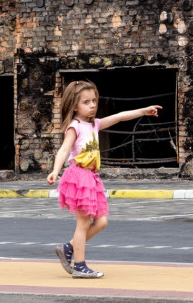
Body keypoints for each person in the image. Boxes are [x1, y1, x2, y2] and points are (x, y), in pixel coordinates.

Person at [47, 80, 162, 278]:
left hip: (91, 178)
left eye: (94, 100)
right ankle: (79, 266)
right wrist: (55, 171)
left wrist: (143, 111)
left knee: (101, 222)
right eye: (86, 102)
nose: (92, 105)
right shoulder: (75, 126)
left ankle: (68, 248)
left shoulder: (94, 124)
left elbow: (118, 117)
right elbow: (64, 149)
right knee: (82, 224)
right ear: (74, 105)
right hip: (79, 177)